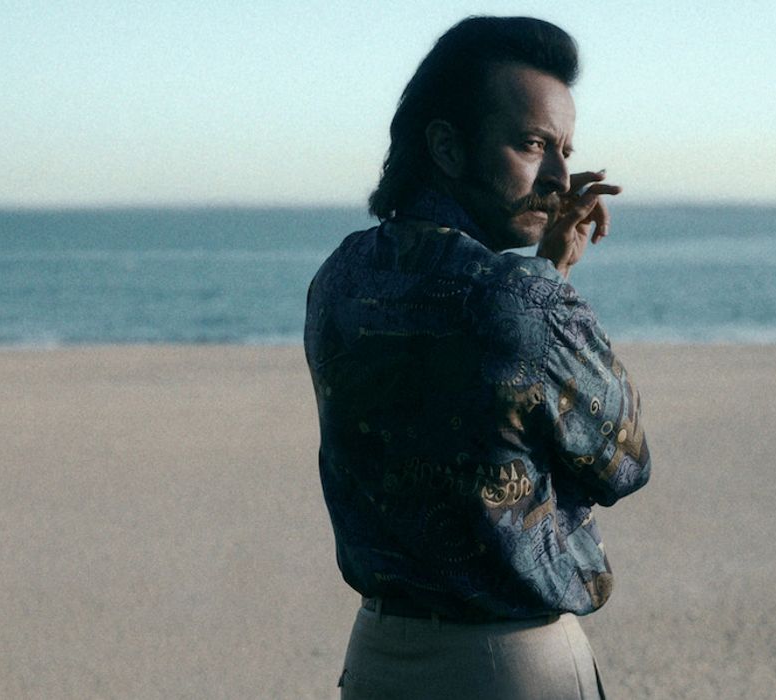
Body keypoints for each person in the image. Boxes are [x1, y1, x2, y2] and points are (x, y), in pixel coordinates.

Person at [304, 15, 652, 699]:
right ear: (448, 147)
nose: (559, 177)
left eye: (565, 149)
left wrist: (543, 277)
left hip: (376, 655)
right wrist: (551, 284)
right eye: (532, 145)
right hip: (510, 664)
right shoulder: (522, 301)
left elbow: (463, 399)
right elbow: (626, 461)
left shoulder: (338, 278)